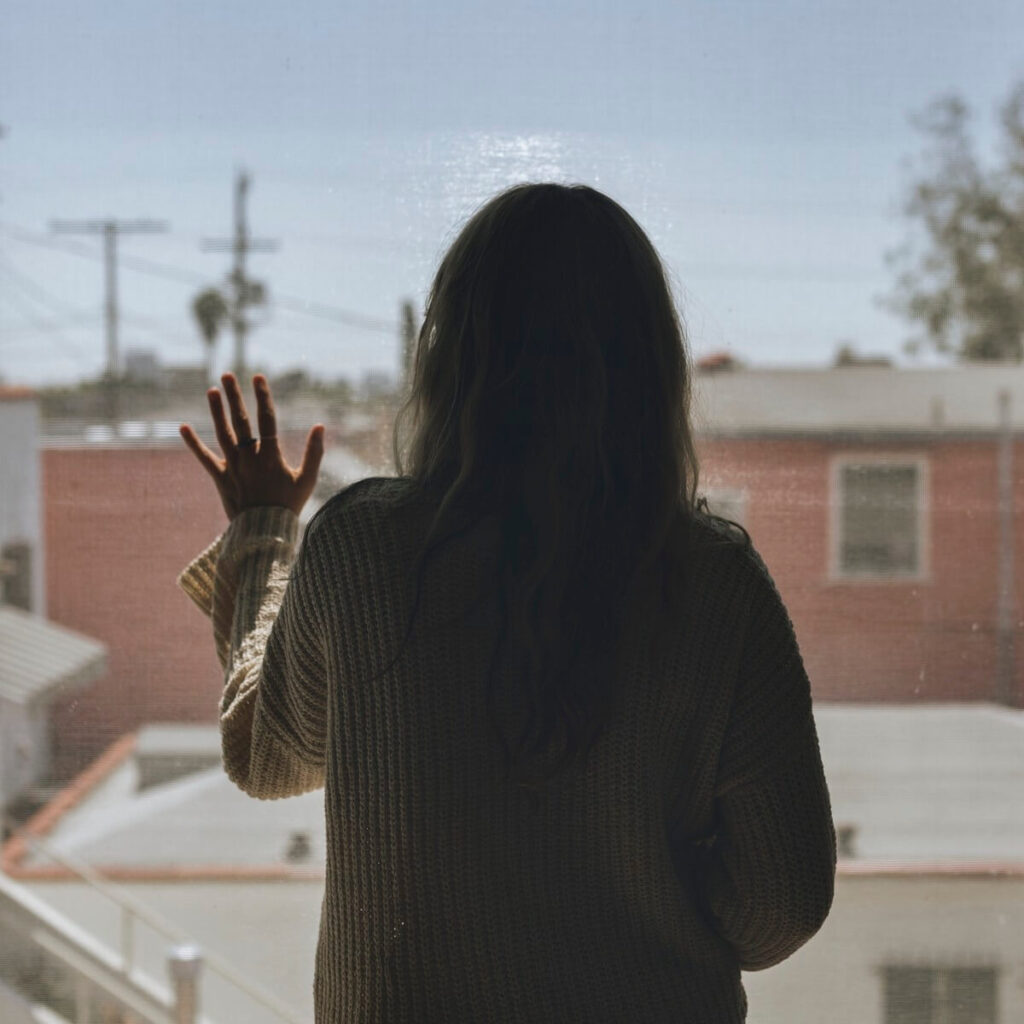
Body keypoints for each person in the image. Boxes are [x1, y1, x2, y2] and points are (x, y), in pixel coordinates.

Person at [178, 183, 835, 1023]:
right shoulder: (717, 583)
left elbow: (266, 755)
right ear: (653, 365)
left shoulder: (364, 550)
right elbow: (782, 900)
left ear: (450, 353)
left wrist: (265, 530)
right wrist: (640, 905)